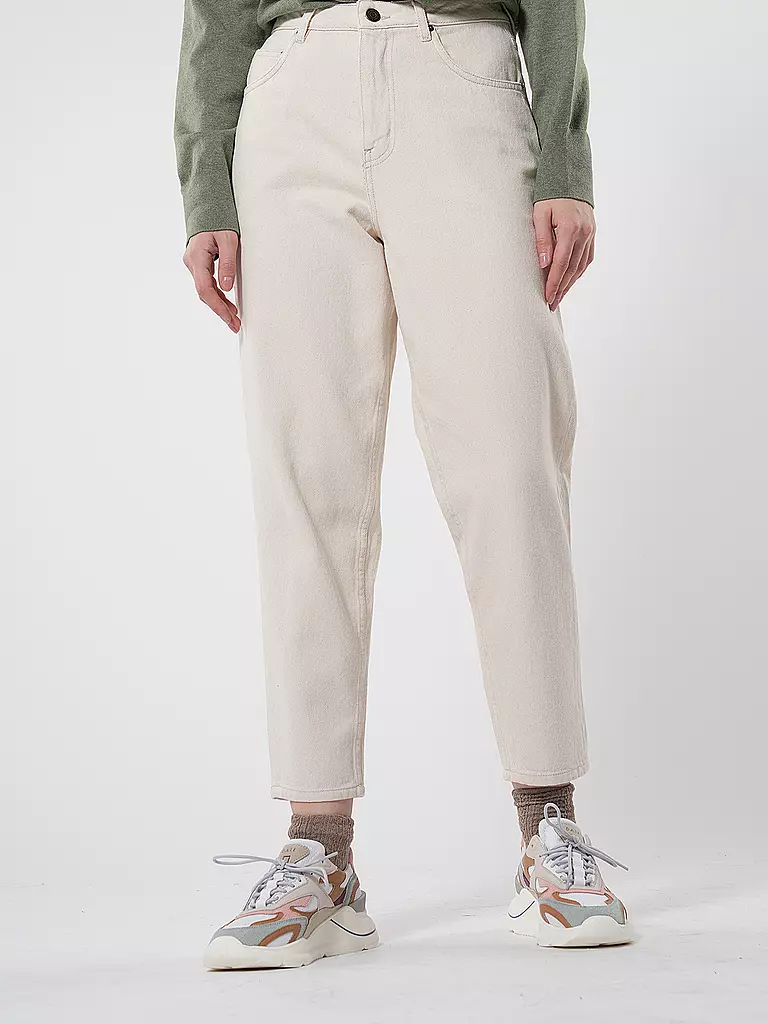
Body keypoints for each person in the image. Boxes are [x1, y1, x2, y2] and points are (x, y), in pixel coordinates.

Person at [174, 0, 632, 968]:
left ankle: (550, 828)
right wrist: (207, 181)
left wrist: (566, 159)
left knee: (510, 461)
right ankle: (320, 855)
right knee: (307, 480)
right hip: (291, 90)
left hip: (461, 76)